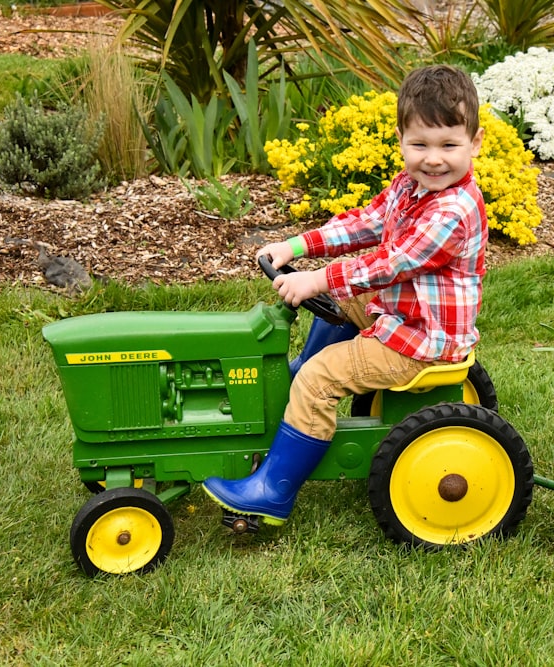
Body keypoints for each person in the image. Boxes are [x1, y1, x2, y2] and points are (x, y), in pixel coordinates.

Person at [203, 64, 488, 525]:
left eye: (448, 145)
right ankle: (293, 388)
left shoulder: (453, 210)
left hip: (422, 341)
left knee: (320, 378)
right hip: (404, 308)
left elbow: (392, 264)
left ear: (474, 143)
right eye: (420, 144)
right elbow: (366, 223)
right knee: (339, 308)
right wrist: (297, 246)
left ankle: (272, 491)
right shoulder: (410, 186)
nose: (433, 159)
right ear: (401, 139)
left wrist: (316, 279)